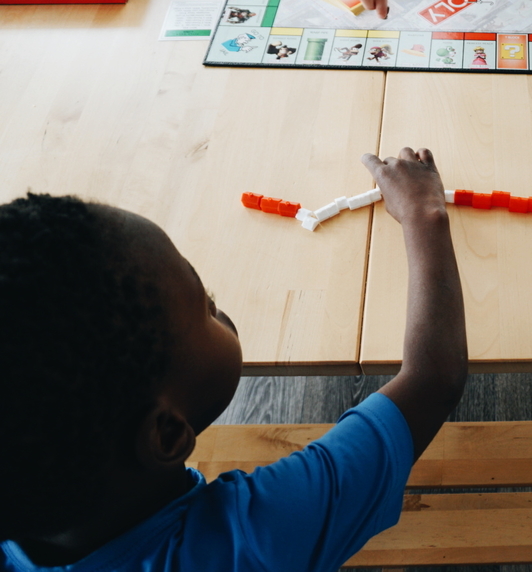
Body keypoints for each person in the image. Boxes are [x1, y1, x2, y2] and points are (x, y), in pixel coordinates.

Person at [0, 148, 468, 572]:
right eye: (204, 304)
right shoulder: (251, 543)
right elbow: (433, 379)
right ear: (166, 434)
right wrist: (424, 213)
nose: (219, 307)